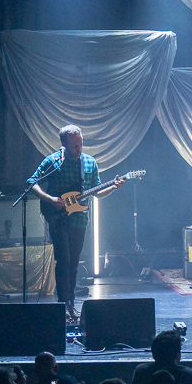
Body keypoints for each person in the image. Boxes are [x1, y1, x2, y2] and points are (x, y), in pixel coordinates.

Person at [29, 124, 124, 320]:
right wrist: (51, 199)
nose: (78, 148)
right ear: (63, 144)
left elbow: (97, 192)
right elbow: (32, 182)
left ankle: (70, 304)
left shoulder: (89, 163)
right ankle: (62, 304)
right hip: (57, 219)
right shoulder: (53, 162)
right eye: (74, 145)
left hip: (80, 220)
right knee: (62, 260)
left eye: (80, 144)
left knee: (72, 263)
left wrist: (113, 187)